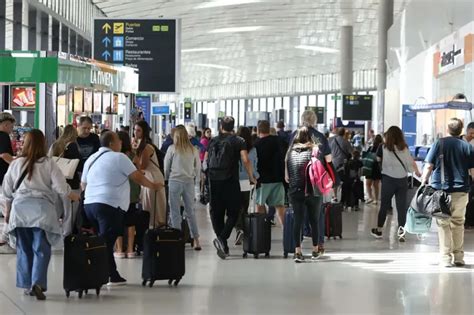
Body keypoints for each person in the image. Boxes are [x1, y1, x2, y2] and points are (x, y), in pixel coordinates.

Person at [3, 129, 80, 300]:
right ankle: (37, 283)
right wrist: (73, 195)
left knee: (24, 249)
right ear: (43, 144)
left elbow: (6, 191)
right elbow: (61, 187)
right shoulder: (49, 163)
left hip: (20, 211)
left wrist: (7, 211)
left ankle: (26, 284)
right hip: (42, 212)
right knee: (41, 249)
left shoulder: (16, 164)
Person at [82, 131, 163, 285]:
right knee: (106, 241)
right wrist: (153, 186)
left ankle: (108, 273)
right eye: (118, 141)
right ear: (112, 144)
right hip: (109, 205)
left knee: (104, 239)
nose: (121, 143)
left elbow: (83, 184)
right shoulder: (119, 157)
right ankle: (107, 274)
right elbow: (137, 177)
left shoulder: (91, 159)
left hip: (89, 206)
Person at [421, 118, 474, 267]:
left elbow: (429, 166)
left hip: (441, 191)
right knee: (458, 223)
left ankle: (445, 258)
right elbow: (472, 170)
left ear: (448, 129)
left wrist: (423, 181)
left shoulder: (439, 143)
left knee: (443, 223)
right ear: (461, 129)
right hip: (461, 191)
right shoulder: (467, 146)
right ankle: (458, 257)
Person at [205, 116, 256, 259]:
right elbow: (245, 159)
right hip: (230, 181)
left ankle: (224, 246)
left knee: (217, 213)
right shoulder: (239, 141)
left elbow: (206, 161)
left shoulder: (213, 140)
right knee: (234, 211)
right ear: (233, 127)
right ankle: (222, 239)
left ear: (221, 126)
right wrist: (251, 176)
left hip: (214, 180)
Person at [289, 110, 333, 256]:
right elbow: (328, 160)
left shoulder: (294, 135)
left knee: (298, 217)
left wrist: (287, 175)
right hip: (315, 182)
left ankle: (297, 249)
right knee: (317, 216)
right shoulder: (320, 137)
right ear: (315, 121)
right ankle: (318, 245)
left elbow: (287, 156)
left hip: (297, 181)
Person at [370, 126, 421, 242]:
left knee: (384, 206)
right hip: (402, 180)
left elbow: (377, 160)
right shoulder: (405, 148)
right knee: (401, 207)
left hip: (388, 180)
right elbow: (410, 162)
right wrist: (417, 171)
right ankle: (401, 233)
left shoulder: (382, 147)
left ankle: (379, 230)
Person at [286, 126, 322, 262]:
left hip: (295, 190)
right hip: (312, 190)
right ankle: (315, 250)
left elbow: (287, 176)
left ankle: (297, 252)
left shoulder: (290, 152)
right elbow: (320, 169)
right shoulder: (315, 151)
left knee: (298, 221)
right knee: (314, 220)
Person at [164, 126, 202, 250]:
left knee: (175, 212)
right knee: (190, 211)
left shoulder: (172, 149)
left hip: (174, 181)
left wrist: (167, 178)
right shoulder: (193, 150)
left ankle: (178, 239)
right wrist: (195, 180)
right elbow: (198, 167)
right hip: (189, 182)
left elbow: (166, 167)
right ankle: (196, 239)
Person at [48, 125, 82, 236]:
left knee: (56, 210)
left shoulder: (54, 145)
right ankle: (67, 234)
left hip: (56, 183)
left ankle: (52, 232)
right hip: (71, 184)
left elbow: (48, 161)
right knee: (69, 212)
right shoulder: (72, 146)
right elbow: (78, 165)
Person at [134, 121, 167, 227]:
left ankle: (154, 230)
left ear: (144, 132)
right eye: (134, 130)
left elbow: (142, 165)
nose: (135, 133)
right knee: (149, 205)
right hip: (148, 177)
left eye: (138, 130)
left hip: (153, 178)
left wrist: (134, 155)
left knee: (153, 207)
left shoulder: (146, 147)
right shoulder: (140, 145)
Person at [114, 131, 141, 259]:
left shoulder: (115, 157)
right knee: (130, 221)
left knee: (118, 220)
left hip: (119, 193)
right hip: (132, 192)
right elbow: (139, 172)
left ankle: (119, 249)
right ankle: (130, 249)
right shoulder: (133, 155)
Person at [254, 120, 287, 226]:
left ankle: (262, 229)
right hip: (278, 179)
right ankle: (286, 231)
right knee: (280, 206)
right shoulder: (280, 141)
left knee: (260, 204)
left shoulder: (256, 144)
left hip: (263, 180)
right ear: (269, 129)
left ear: (258, 130)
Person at [234, 126, 259, 246]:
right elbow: (253, 165)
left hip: (234, 180)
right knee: (245, 207)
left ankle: (239, 229)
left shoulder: (234, 147)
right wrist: (255, 177)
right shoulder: (253, 149)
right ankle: (244, 230)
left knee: (235, 207)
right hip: (247, 181)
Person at [0, 112, 16, 254]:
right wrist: (17, 164)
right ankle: (5, 239)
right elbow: (4, 154)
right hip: (2, 178)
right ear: (6, 124)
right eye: (11, 125)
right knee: (7, 209)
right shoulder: (3, 136)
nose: (12, 128)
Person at [329, 127, 353, 202]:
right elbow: (351, 152)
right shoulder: (346, 142)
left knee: (334, 180)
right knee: (344, 181)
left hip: (333, 162)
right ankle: (343, 198)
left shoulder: (331, 140)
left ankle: (335, 196)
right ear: (344, 133)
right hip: (343, 164)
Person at [365, 134, 383, 205]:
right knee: (376, 184)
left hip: (369, 167)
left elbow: (366, 156)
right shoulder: (382, 148)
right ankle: (376, 199)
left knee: (368, 183)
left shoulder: (371, 147)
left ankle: (370, 197)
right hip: (377, 167)